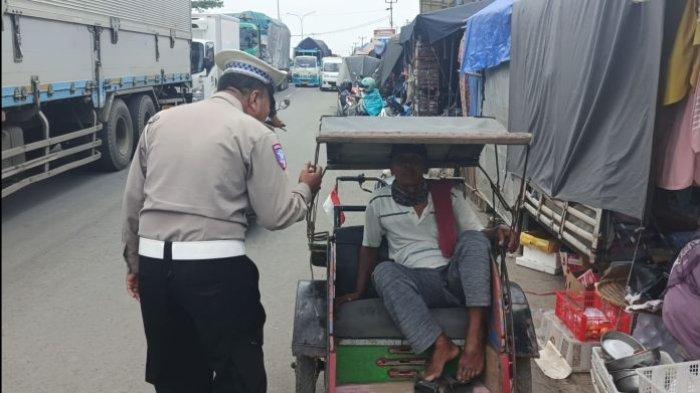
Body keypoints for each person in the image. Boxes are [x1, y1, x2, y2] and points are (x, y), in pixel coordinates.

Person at [121, 49, 323, 392]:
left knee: (176, 378)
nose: (268, 118)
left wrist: (135, 265)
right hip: (215, 271)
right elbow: (275, 215)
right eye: (268, 110)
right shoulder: (254, 133)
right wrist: (306, 189)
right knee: (238, 376)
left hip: (156, 268)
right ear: (255, 97)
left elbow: (133, 202)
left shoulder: (160, 122)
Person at [336, 144, 511, 382]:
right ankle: (442, 344)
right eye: (402, 160)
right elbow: (369, 248)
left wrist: (500, 230)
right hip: (414, 281)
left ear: (426, 166)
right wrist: (358, 290)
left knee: (474, 239)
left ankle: (474, 340)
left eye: (415, 160)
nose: (408, 166)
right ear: (392, 167)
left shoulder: (448, 195)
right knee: (383, 271)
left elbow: (478, 233)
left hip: (453, 277)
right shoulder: (378, 203)